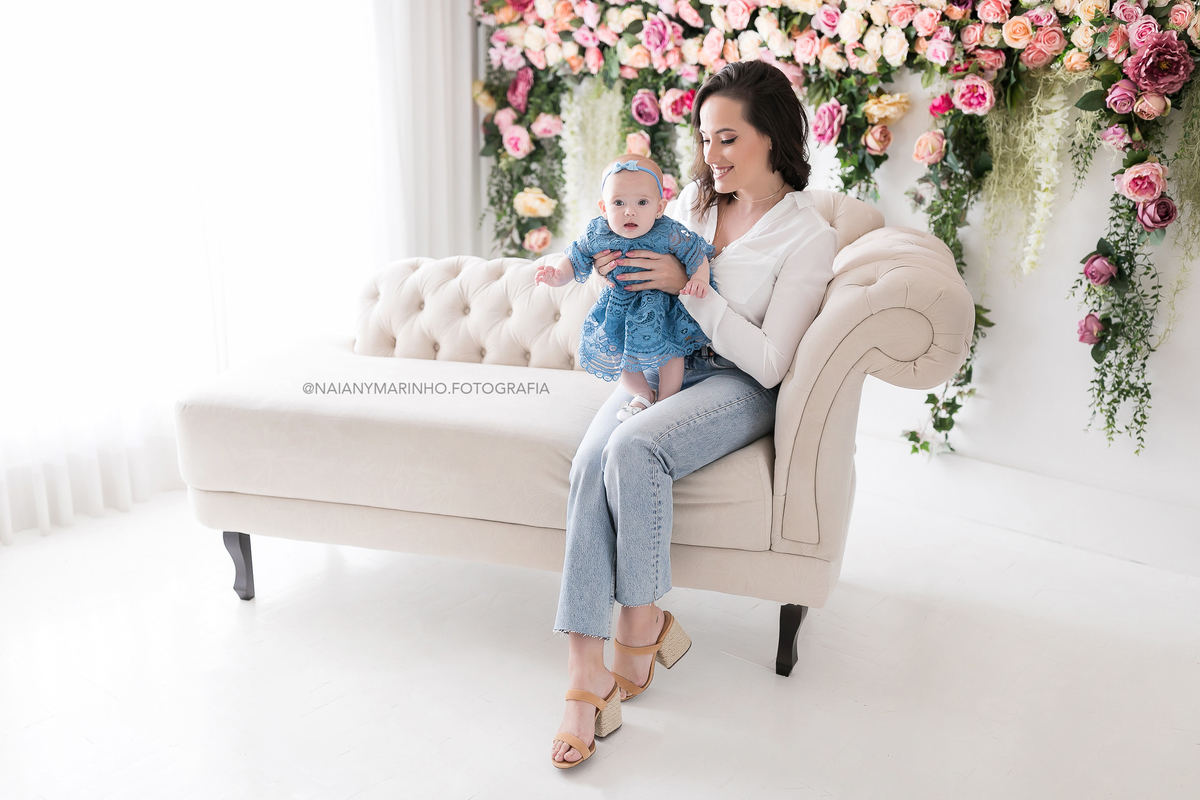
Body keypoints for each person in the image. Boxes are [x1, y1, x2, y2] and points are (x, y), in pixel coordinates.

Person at [548, 59, 841, 769]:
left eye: (728, 139)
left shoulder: (807, 235)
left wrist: (691, 289)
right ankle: (585, 677)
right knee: (590, 461)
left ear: (772, 136)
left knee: (633, 447)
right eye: (706, 139)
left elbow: (771, 361)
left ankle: (640, 624)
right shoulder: (690, 205)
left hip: (738, 382)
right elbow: (633, 256)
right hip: (662, 362)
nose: (712, 156)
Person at [535, 153, 717, 421]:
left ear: (659, 207)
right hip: (620, 308)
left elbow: (695, 254)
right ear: (603, 207)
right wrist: (557, 275)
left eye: (642, 202)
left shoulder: (667, 231)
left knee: (671, 353)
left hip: (662, 308)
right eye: (618, 202)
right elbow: (575, 257)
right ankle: (642, 394)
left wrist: (699, 279)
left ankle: (667, 398)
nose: (629, 211)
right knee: (619, 354)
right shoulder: (598, 233)